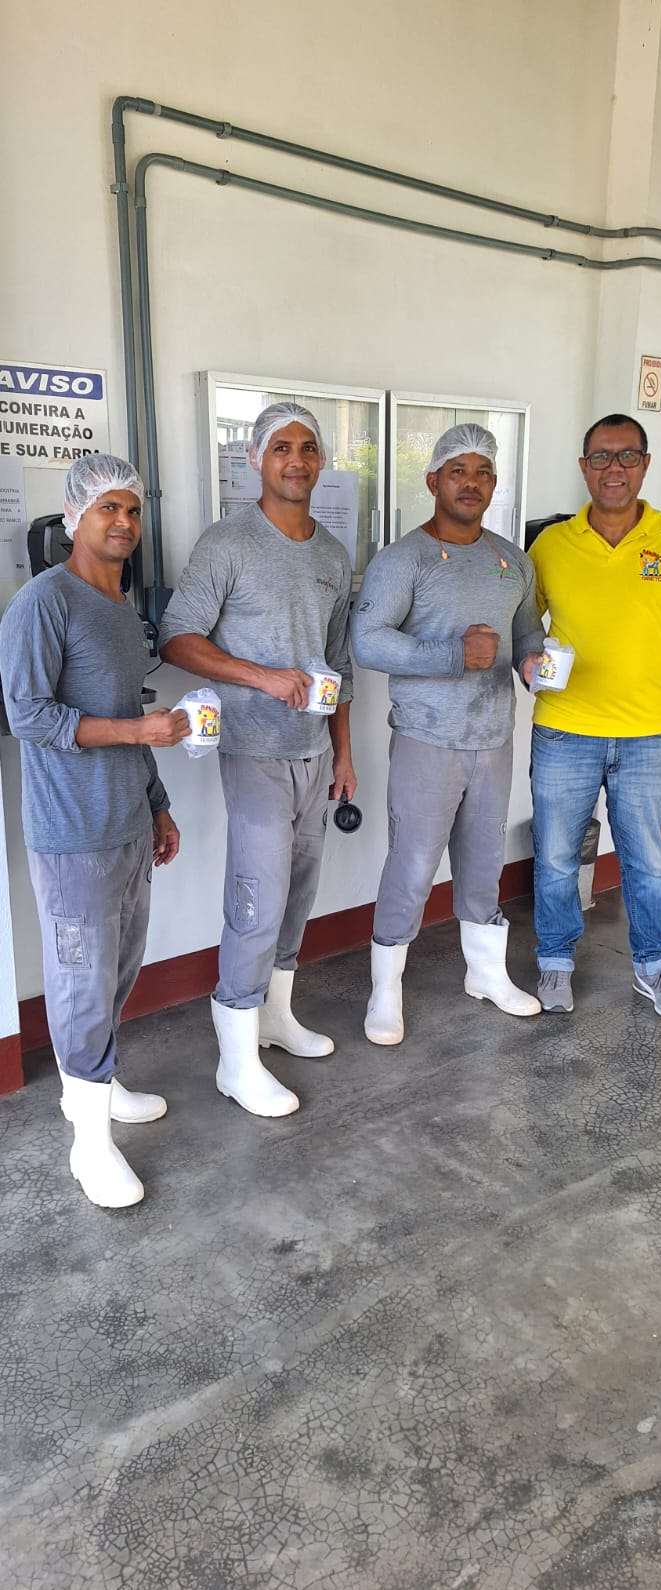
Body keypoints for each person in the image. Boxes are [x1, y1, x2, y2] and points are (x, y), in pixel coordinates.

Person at [0, 455, 188, 1208]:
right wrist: (137, 730)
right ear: (75, 515)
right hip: (72, 831)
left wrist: (157, 803)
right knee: (82, 982)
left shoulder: (120, 606)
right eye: (108, 507)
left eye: (132, 510)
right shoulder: (43, 603)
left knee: (117, 971)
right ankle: (89, 1143)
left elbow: (127, 712)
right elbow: (28, 716)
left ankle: (98, 1088)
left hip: (127, 823)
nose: (123, 522)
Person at [159, 402, 355, 1117]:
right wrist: (261, 677)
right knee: (257, 897)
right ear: (255, 460)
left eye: (308, 448)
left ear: (321, 460)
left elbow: (339, 665)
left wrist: (344, 754)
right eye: (281, 448)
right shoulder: (228, 543)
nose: (296, 460)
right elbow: (177, 637)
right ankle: (235, 1059)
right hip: (253, 752)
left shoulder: (332, 555)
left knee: (298, 892)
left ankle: (275, 1017)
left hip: (313, 753)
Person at [529, 413, 661, 1019]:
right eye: (601, 457)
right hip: (564, 731)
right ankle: (555, 960)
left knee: (647, 861)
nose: (613, 469)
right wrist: (527, 664)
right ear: (583, 466)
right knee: (556, 858)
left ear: (645, 464)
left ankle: (653, 966)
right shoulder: (552, 545)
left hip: (648, 736)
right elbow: (522, 627)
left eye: (627, 456)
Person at [351, 422, 544, 1045]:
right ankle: (385, 991)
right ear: (433, 480)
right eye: (458, 471)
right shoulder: (402, 559)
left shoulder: (512, 560)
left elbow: (525, 632)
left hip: (493, 736)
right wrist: (452, 655)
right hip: (426, 738)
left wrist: (532, 662)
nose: (471, 483)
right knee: (412, 866)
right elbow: (367, 642)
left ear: (495, 484)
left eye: (483, 472)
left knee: (485, 863)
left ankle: (485, 974)